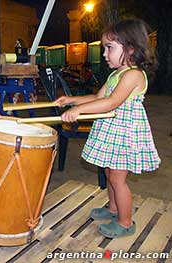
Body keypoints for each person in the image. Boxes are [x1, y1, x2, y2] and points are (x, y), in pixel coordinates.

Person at [55, 19, 160, 238]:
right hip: (113, 132)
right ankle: (113, 209)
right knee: (108, 171)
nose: (104, 54)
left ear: (130, 48)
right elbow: (98, 97)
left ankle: (125, 222)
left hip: (125, 135)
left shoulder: (133, 75)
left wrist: (80, 112)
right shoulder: (116, 74)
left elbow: (112, 102)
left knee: (117, 179)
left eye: (109, 48)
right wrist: (73, 101)